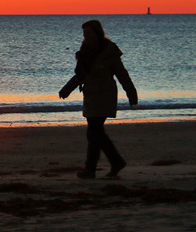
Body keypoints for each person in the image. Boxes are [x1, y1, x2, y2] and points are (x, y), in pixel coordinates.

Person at [58, 19, 137, 179]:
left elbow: (122, 73)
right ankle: (100, 167)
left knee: (94, 132)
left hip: (104, 95)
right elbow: (80, 75)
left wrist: (131, 91)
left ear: (97, 33)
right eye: (84, 33)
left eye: (89, 32)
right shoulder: (85, 51)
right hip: (90, 95)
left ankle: (102, 166)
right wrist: (67, 88)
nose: (86, 36)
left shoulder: (109, 50)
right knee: (94, 133)